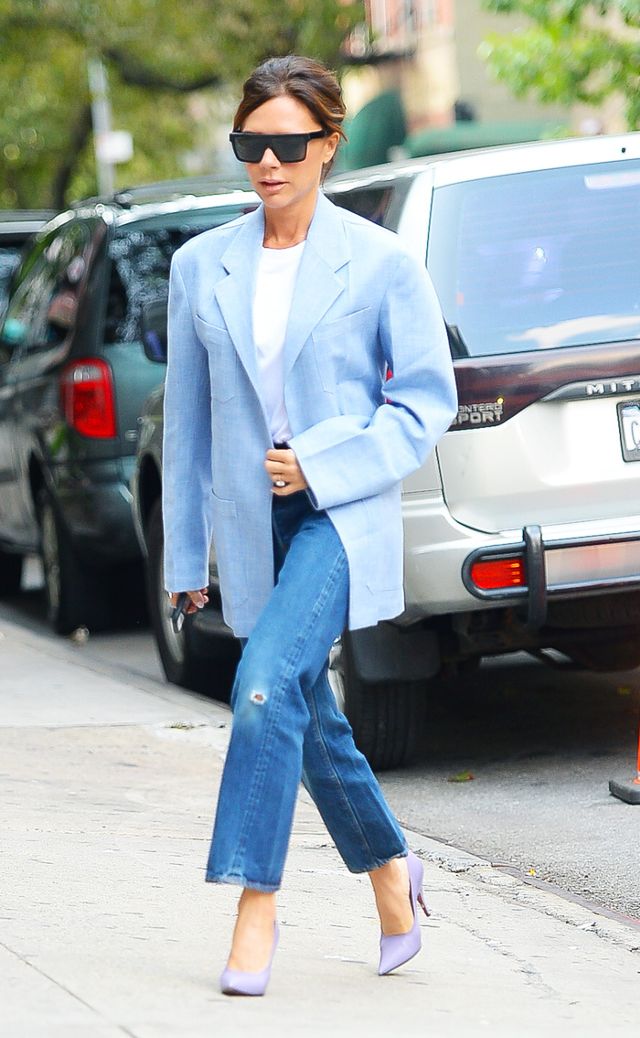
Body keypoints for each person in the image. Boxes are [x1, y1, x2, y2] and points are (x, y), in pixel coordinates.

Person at [162, 54, 458, 997]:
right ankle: (389, 874)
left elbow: (423, 404)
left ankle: (256, 901)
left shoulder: (381, 264)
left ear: (329, 145)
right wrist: (182, 554)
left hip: (339, 513)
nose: (269, 163)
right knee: (305, 707)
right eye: (252, 143)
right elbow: (188, 425)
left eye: (290, 144)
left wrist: (325, 463)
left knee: (259, 688)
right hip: (250, 523)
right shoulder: (198, 264)